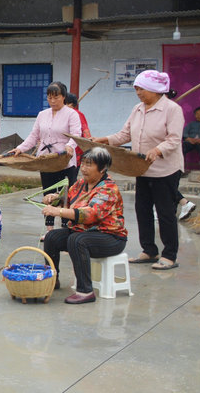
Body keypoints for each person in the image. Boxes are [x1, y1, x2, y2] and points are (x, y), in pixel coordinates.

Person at [92, 70, 184, 270]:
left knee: (165, 212)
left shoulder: (172, 109)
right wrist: (105, 139)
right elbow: (125, 134)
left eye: (141, 88)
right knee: (142, 210)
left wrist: (158, 150)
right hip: (142, 169)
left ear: (155, 89)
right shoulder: (137, 109)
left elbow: (174, 139)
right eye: (136, 89)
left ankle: (169, 255)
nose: (138, 93)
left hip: (165, 170)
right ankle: (149, 250)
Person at [41, 147, 128, 304]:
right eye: (83, 164)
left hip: (111, 237)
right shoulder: (81, 184)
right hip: (83, 232)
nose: (84, 168)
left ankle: (85, 290)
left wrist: (57, 211)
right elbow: (66, 199)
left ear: (102, 169)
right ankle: (52, 279)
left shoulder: (108, 189)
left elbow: (90, 215)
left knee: (77, 240)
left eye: (89, 165)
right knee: (51, 237)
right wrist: (53, 198)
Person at [13, 81, 82, 239]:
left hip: (64, 160)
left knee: (66, 195)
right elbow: (34, 136)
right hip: (46, 160)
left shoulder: (72, 114)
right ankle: (49, 230)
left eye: (56, 97)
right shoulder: (42, 114)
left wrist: (69, 147)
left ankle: (66, 229)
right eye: (49, 97)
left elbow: (76, 135)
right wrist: (21, 148)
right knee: (49, 194)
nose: (52, 101)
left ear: (63, 97)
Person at [64, 92, 92, 165]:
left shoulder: (77, 114)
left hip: (75, 148)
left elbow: (85, 130)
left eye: (65, 103)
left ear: (71, 104)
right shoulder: (60, 114)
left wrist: (88, 144)